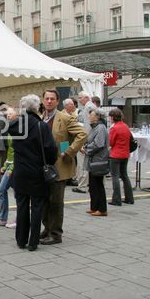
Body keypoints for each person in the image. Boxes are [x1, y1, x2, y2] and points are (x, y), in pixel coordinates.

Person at [9, 95, 57, 251]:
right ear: (36, 108)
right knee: (37, 207)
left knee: (21, 206)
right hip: (37, 171)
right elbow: (50, 150)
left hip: (20, 171)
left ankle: (21, 239)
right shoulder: (41, 126)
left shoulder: (15, 124)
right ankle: (33, 241)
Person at [40, 89, 87, 245]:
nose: (49, 101)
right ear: (42, 100)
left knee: (56, 202)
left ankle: (56, 233)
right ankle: (47, 228)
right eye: (46, 98)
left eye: (52, 99)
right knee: (45, 200)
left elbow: (82, 134)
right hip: (44, 167)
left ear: (57, 101)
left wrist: (69, 151)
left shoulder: (65, 118)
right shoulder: (42, 118)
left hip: (59, 167)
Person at [0, 107, 17, 228]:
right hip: (11, 164)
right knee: (3, 190)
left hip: (16, 166)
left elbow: (17, 150)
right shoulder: (9, 128)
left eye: (11, 114)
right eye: (7, 114)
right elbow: (11, 151)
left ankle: (14, 219)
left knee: (13, 192)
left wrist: (10, 167)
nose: (8, 116)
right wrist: (6, 165)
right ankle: (2, 218)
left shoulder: (18, 129)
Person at [84, 108, 109, 216]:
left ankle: (102, 209)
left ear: (98, 116)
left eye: (92, 115)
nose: (90, 116)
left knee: (98, 184)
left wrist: (86, 149)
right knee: (93, 184)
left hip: (98, 160)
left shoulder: (101, 128)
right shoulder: (95, 127)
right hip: (93, 160)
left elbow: (98, 144)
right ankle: (94, 206)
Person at [108, 108, 134, 206]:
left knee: (115, 177)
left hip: (115, 155)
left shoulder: (114, 128)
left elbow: (111, 142)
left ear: (112, 117)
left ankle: (117, 200)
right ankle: (129, 198)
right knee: (124, 176)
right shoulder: (126, 126)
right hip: (125, 154)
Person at [73, 91, 96, 194]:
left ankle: (82, 185)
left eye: (80, 98)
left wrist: (83, 142)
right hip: (91, 139)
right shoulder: (92, 107)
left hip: (85, 139)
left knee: (83, 163)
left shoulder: (87, 108)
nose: (79, 100)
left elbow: (87, 126)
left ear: (86, 98)